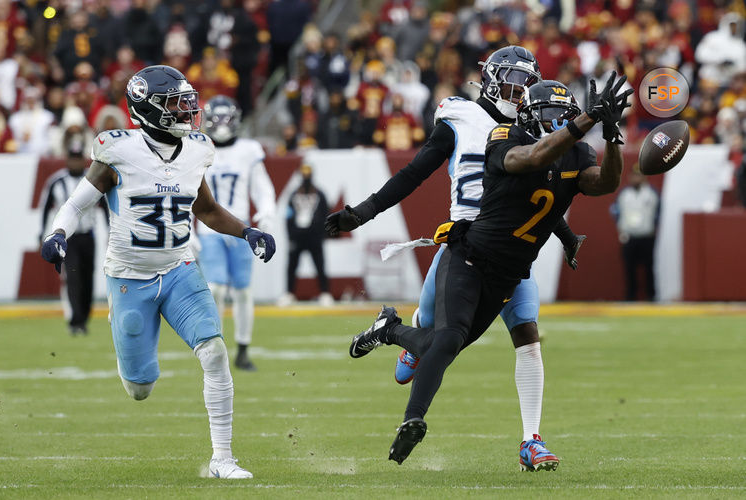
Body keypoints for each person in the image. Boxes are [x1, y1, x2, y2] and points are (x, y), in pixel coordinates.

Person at [339, 74, 632, 468]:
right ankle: (393, 331)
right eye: (553, 116)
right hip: (468, 253)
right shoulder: (504, 139)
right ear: (530, 116)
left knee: (521, 333)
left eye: (567, 116)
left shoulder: (576, 155)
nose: (562, 123)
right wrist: (585, 123)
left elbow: (604, 182)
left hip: (511, 272)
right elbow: (533, 160)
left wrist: (611, 134)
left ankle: (531, 440)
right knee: (438, 341)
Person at [40, 65, 276, 479]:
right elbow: (78, 204)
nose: (188, 109)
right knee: (140, 388)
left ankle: (222, 459)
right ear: (149, 109)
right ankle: (128, 342)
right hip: (129, 277)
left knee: (215, 352)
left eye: (188, 100)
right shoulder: (119, 151)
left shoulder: (198, 150)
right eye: (176, 103)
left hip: (180, 267)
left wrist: (247, 231)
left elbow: (205, 209)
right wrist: (58, 232)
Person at [198, 95, 276, 371]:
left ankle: (243, 349)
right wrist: (188, 230)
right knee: (216, 288)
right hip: (209, 230)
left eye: (225, 119)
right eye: (215, 119)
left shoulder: (248, 149)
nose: (220, 125)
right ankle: (215, 346)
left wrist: (265, 215)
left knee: (243, 291)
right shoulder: (198, 147)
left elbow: (263, 188)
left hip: (240, 230)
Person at [39, 134, 108, 334]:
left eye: (79, 157)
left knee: (88, 277)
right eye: (73, 157)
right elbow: (45, 208)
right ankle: (75, 320)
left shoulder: (92, 178)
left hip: (89, 235)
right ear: (67, 158)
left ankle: (83, 318)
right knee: (74, 276)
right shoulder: (56, 181)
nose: (76, 161)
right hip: (67, 238)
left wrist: (111, 232)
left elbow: (105, 207)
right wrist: (42, 233)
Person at [280, 164, 332, 306]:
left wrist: (322, 233)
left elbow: (326, 214)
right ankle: (289, 293)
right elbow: (288, 216)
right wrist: (291, 235)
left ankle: (325, 293)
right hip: (297, 236)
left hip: (314, 236)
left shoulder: (320, 194)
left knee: (320, 265)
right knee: (292, 266)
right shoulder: (294, 194)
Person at [610, 168, 659, 301]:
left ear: (644, 178)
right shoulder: (624, 194)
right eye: (634, 176)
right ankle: (630, 296)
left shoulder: (651, 193)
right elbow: (614, 210)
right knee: (629, 268)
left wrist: (654, 226)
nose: (636, 179)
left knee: (649, 267)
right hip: (629, 236)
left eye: (639, 176)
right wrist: (621, 226)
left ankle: (651, 296)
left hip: (646, 235)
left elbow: (658, 212)